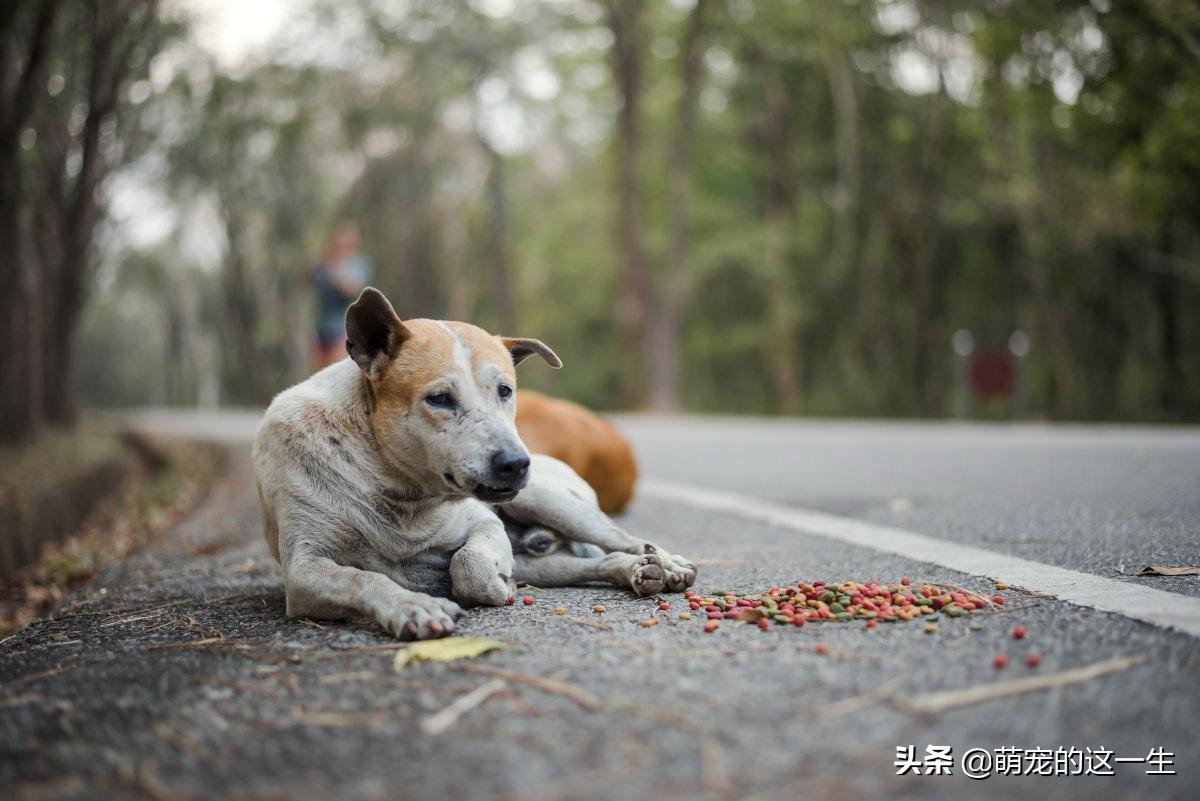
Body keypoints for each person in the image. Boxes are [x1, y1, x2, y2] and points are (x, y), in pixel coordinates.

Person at [310, 222, 373, 368]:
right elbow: (306, 278)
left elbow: (350, 288)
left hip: (344, 331)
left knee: (336, 373)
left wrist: (333, 268)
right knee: (321, 379)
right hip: (321, 331)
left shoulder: (360, 265)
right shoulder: (324, 265)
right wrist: (321, 260)